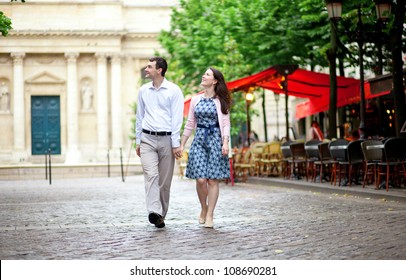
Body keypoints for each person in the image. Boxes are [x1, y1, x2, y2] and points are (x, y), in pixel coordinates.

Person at [135, 57, 184, 228]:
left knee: (164, 181)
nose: (146, 69)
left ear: (159, 70)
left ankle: (161, 215)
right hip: (147, 138)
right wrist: (138, 140)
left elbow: (177, 119)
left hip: (166, 139)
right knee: (151, 175)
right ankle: (154, 211)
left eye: (149, 67)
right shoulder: (143, 91)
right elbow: (139, 117)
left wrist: (175, 143)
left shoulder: (174, 90)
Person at [180, 67, 231, 228]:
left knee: (213, 180)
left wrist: (225, 142)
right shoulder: (196, 99)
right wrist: (182, 143)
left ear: (215, 81)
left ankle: (210, 215)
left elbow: (225, 123)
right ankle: (204, 208)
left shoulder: (221, 100)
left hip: (216, 139)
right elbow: (190, 123)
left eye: (207, 74)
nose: (203, 76)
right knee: (201, 179)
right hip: (200, 139)